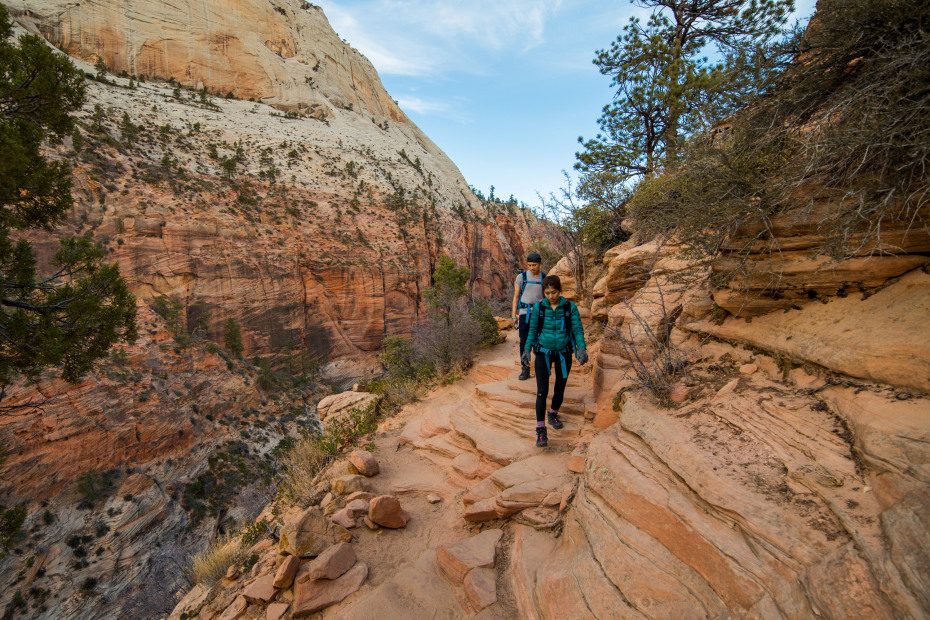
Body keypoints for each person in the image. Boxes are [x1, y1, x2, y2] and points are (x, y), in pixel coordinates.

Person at [521, 275, 588, 447]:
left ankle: (553, 413)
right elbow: (532, 330)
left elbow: (577, 329)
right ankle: (541, 431)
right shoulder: (539, 308)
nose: (551, 296)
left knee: (560, 387)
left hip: (563, 352)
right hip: (543, 352)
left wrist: (581, 349)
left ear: (560, 291)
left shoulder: (569, 307)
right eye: (547, 293)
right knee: (542, 391)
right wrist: (527, 350)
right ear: (543, 292)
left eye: (554, 292)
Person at [511, 252, 545, 380]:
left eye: (534, 265)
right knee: (524, 341)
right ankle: (525, 368)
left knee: (539, 341)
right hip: (525, 313)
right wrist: (514, 315)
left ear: (540, 264)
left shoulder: (544, 278)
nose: (532, 268)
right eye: (530, 265)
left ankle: (539, 368)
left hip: (539, 314)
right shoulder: (521, 277)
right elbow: (515, 297)